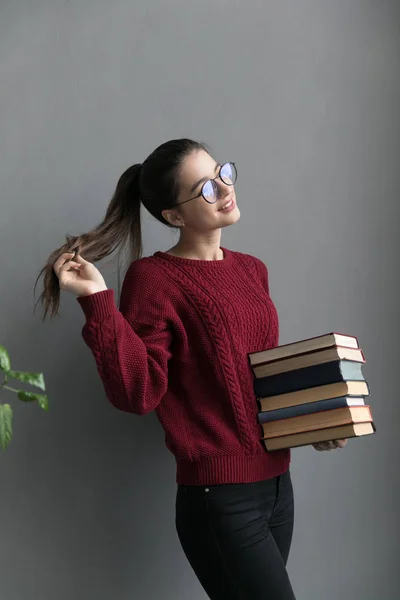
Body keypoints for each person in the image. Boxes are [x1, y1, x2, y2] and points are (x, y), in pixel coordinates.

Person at [37, 138, 347, 600]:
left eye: (223, 174)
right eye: (205, 188)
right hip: (221, 498)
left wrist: (308, 424)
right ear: (174, 217)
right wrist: (98, 301)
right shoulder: (153, 278)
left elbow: (252, 379)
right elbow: (137, 392)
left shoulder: (251, 269)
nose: (225, 189)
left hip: (279, 485)